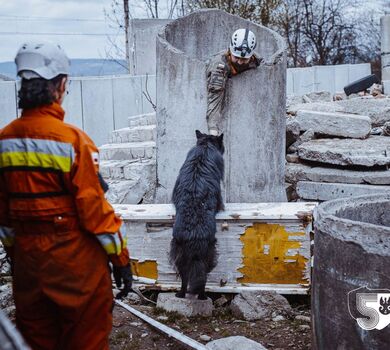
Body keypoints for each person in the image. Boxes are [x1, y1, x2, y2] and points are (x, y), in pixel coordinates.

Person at [0, 41, 132, 350]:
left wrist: (17, 257)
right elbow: (95, 212)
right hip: (77, 269)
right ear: (60, 85)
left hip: (29, 269)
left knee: (36, 340)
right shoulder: (74, 142)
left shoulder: (3, 142)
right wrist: (121, 260)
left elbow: (3, 216)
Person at [206, 28, 262, 136]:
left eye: (245, 59)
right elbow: (215, 101)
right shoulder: (219, 66)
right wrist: (213, 133)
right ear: (230, 51)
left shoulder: (256, 60)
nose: (240, 62)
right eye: (236, 57)